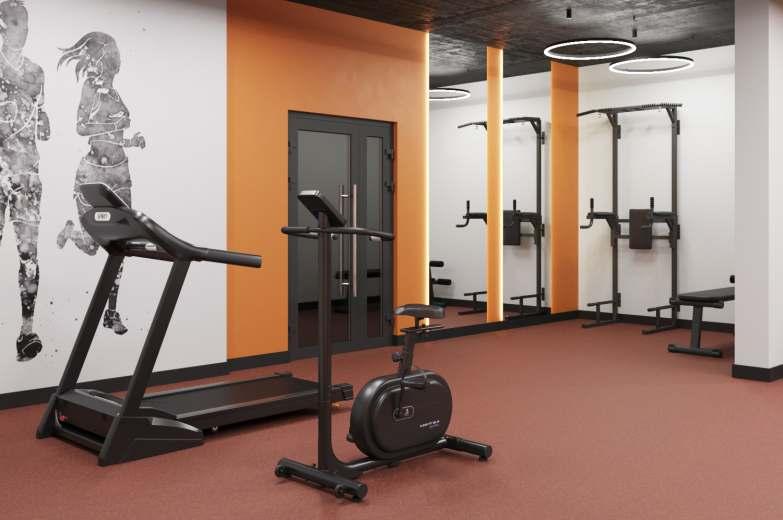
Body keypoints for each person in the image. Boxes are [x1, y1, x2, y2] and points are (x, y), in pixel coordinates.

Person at [56, 32, 146, 336]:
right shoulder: (89, 89)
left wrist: (133, 141)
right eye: (111, 62)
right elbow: (81, 128)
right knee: (93, 247)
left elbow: (117, 135)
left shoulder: (115, 94)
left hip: (120, 174)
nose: (114, 69)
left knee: (122, 244)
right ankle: (73, 231)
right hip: (94, 173)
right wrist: (112, 123)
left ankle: (111, 312)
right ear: (101, 62)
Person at [0, 0, 50, 361]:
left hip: (27, 173)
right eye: (17, 23)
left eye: (26, 24)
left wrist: (42, 122)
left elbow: (41, 119)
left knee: (29, 255)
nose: (24, 30)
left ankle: (27, 330)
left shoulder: (36, 72)